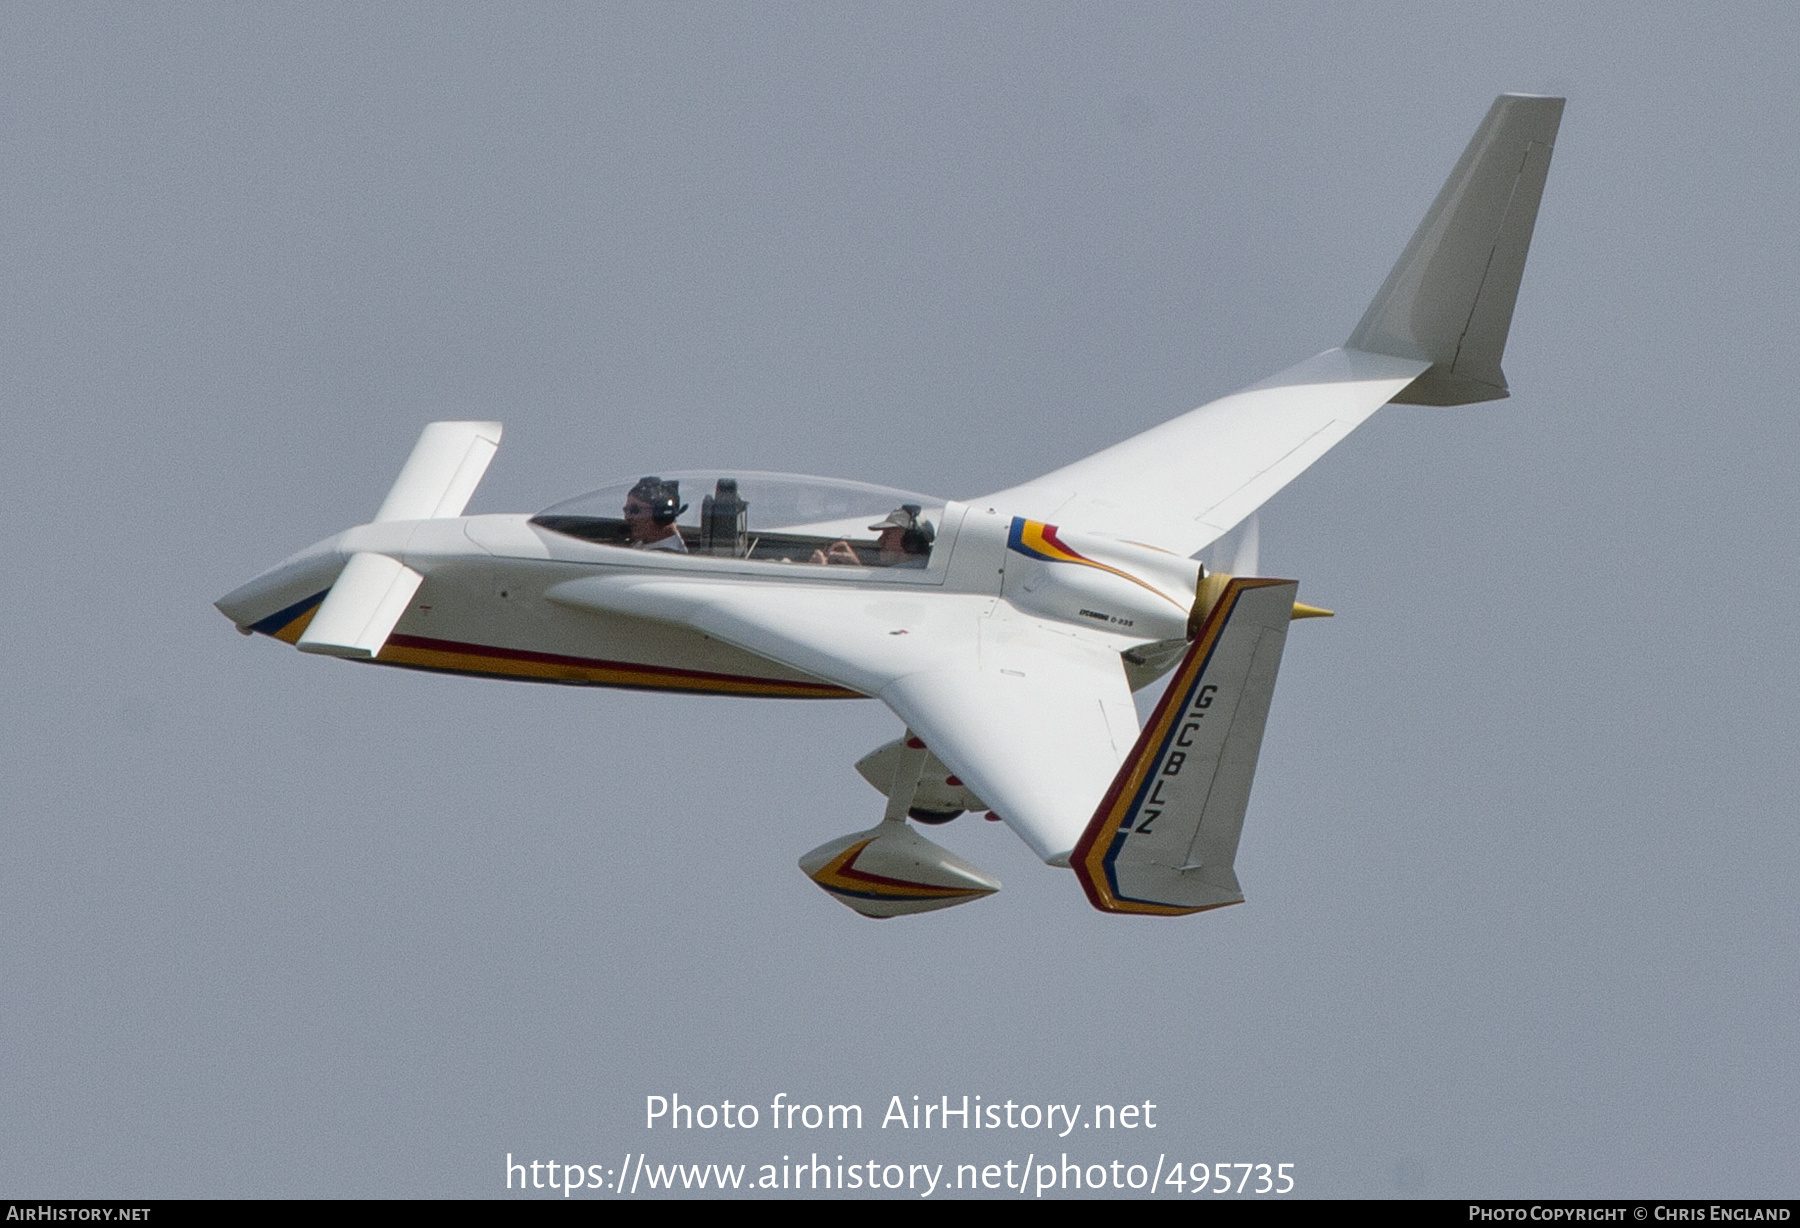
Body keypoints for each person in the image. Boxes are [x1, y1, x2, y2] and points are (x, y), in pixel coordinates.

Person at [811, 504, 933, 567]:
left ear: (910, 541)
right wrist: (856, 568)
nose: (880, 540)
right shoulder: (915, 572)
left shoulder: (909, 574)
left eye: (889, 535)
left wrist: (819, 571)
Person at [622, 477, 688, 551]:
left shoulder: (667, 557)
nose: (627, 517)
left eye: (634, 510)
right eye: (626, 510)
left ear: (663, 515)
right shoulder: (643, 546)